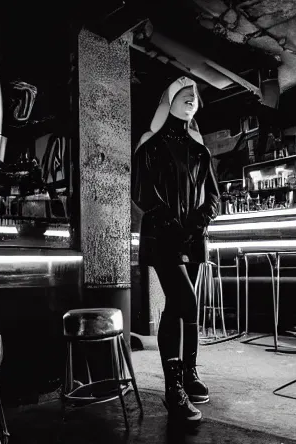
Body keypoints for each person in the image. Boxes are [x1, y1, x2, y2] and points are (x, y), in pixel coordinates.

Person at [132, 77, 220, 425]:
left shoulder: (199, 147)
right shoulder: (149, 145)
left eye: (194, 96)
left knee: (185, 305)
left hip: (192, 236)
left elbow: (213, 194)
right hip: (163, 235)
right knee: (185, 302)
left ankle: (190, 372)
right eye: (184, 94)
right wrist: (170, 220)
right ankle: (174, 387)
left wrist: (202, 218)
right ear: (168, 100)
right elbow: (141, 192)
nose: (191, 99)